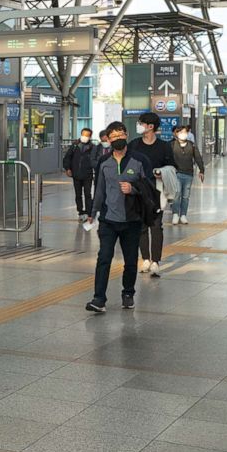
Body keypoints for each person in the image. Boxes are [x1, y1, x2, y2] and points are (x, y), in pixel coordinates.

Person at [85, 122, 151, 313]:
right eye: (113, 137)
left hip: (132, 220)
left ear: (126, 135)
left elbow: (149, 189)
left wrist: (133, 189)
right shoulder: (104, 162)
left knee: (130, 261)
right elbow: (99, 190)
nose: (117, 139)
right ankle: (99, 299)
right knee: (104, 258)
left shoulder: (139, 160)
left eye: (120, 135)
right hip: (108, 220)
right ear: (108, 139)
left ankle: (128, 293)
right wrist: (93, 213)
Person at [128, 112, 169, 277]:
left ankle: (156, 262)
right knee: (141, 227)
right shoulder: (133, 145)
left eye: (141, 123)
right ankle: (145, 258)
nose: (138, 125)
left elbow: (172, 167)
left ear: (150, 127)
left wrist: (163, 173)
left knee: (156, 226)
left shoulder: (164, 147)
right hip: (138, 191)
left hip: (157, 192)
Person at [170, 126, 205, 225]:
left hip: (188, 174)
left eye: (185, 132)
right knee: (176, 194)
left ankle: (183, 215)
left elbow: (198, 157)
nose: (183, 134)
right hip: (176, 173)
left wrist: (202, 170)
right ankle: (175, 214)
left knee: (185, 196)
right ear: (176, 133)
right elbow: (167, 158)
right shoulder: (172, 145)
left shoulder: (192, 145)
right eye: (181, 132)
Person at [63, 128, 97, 221]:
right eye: (83, 134)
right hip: (76, 174)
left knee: (88, 194)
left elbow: (95, 161)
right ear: (81, 134)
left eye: (87, 135)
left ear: (90, 137)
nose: (85, 137)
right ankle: (81, 212)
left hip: (87, 175)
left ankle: (88, 213)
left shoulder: (93, 147)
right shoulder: (75, 146)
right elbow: (67, 158)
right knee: (78, 195)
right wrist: (68, 168)